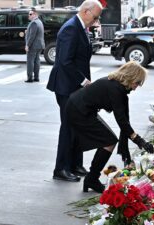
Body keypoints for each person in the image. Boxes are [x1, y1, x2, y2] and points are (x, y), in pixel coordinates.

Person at [66, 61, 154, 193]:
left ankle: (91, 178)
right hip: (78, 110)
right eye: (137, 83)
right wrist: (139, 141)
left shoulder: (117, 86)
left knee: (109, 140)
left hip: (81, 107)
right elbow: (121, 120)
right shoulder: (115, 89)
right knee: (109, 141)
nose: (136, 87)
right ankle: (92, 179)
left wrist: (137, 140)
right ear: (130, 78)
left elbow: (124, 119)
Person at [47, 0, 103, 182]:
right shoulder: (71, 28)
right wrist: (84, 80)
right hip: (66, 85)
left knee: (78, 124)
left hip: (75, 85)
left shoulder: (81, 27)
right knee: (68, 126)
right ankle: (61, 168)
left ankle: (75, 164)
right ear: (86, 12)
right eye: (95, 17)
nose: (95, 22)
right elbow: (65, 61)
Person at [25, 8, 45, 83]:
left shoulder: (34, 23)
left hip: (33, 46)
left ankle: (30, 78)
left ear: (35, 14)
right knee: (37, 61)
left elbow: (32, 36)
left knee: (30, 61)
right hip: (39, 45)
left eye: (30, 14)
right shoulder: (39, 22)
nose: (29, 16)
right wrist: (28, 31)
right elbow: (36, 33)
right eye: (29, 14)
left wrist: (27, 45)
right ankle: (36, 77)